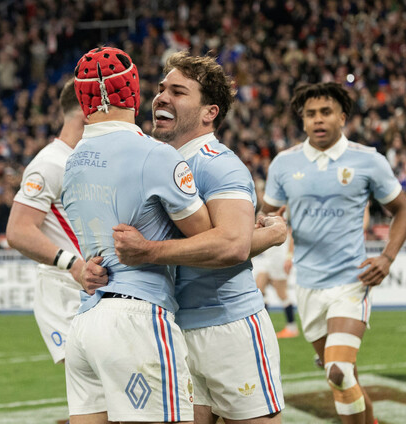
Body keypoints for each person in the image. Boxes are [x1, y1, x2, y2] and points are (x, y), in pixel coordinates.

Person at [111, 52, 286, 424]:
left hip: (228, 328)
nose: (161, 97)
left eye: (178, 92)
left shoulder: (217, 164)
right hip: (171, 330)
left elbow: (233, 244)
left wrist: (147, 251)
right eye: (161, 89)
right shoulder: (154, 163)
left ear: (210, 112)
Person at [62, 46, 213, 424]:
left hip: (85, 322)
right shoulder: (155, 155)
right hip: (138, 318)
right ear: (131, 91)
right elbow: (209, 237)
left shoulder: (73, 161)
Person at [261, 82, 406, 424]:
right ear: (302, 121)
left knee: (339, 372)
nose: (318, 119)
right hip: (308, 286)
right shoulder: (284, 164)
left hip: (351, 282)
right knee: (346, 378)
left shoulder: (368, 160)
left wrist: (387, 257)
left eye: (326, 112)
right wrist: (267, 221)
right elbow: (267, 214)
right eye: (310, 114)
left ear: (342, 117)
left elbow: (402, 209)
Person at [6, 78, 87, 365]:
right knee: (91, 381)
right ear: (87, 112)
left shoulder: (84, 161)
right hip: (65, 289)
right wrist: (73, 264)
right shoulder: (50, 164)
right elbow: (18, 231)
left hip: (91, 286)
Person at [251, 233, 299, 338]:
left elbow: (291, 233)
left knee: (281, 293)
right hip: (265, 257)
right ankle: (264, 328)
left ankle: (292, 327)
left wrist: (289, 256)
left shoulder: (284, 222)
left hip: (278, 257)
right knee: (259, 289)